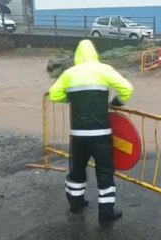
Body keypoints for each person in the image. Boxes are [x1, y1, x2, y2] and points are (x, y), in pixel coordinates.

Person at [48, 39, 134, 223]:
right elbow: (127, 89)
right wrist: (116, 103)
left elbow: (54, 94)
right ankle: (106, 212)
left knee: (77, 170)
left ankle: (76, 205)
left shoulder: (69, 74)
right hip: (101, 134)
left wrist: (71, 99)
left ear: (77, 56)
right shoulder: (104, 69)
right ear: (95, 53)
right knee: (104, 172)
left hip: (78, 135)